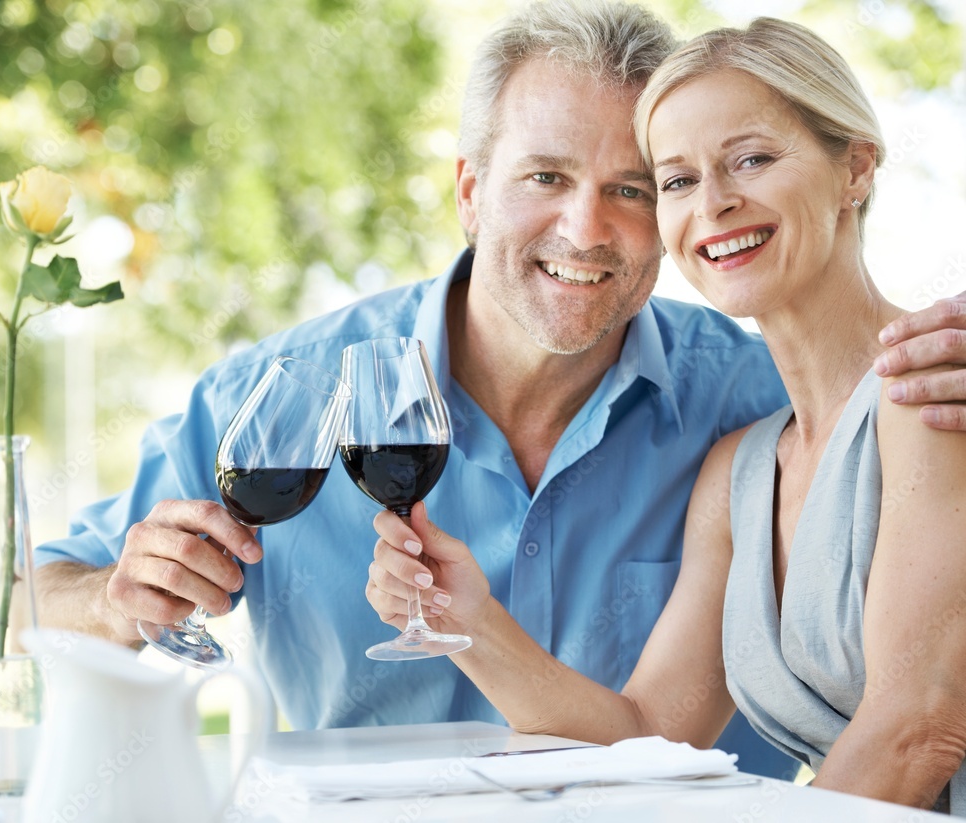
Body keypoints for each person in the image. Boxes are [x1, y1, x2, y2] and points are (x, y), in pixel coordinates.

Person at [34, 0, 964, 783]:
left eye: (637, 188)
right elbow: (21, 594)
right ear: (472, 191)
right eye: (546, 177)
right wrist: (119, 599)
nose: (586, 226)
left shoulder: (763, 396)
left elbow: (913, 713)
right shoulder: (282, 397)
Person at [366, 14, 966, 813]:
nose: (713, 204)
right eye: (676, 182)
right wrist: (470, 619)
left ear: (855, 168)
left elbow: (918, 730)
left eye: (750, 159)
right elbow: (649, 732)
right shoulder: (741, 471)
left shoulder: (931, 392)